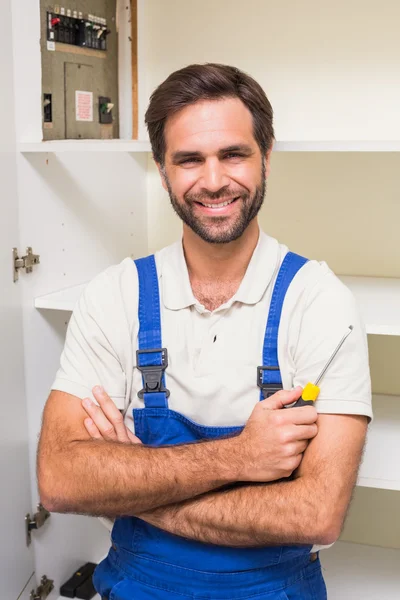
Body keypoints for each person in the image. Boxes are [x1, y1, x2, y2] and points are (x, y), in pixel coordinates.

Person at [38, 63, 372, 600]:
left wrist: (126, 484)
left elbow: (316, 514)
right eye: (189, 159)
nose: (213, 181)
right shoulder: (115, 295)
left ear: (266, 156)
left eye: (233, 154)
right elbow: (60, 481)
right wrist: (242, 457)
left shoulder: (320, 303)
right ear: (161, 168)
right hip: (133, 586)